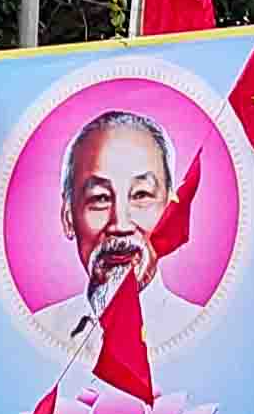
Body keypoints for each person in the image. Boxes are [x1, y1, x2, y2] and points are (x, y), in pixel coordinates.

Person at [28, 110, 209, 356]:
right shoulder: (37, 334)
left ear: (169, 210)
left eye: (141, 195)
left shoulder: (202, 332)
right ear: (68, 216)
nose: (121, 225)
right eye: (100, 198)